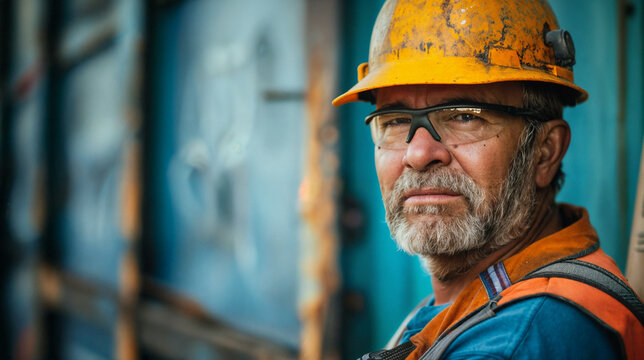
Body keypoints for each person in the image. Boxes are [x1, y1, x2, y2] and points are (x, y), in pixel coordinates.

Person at [333, 0, 644, 359]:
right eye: (395, 121)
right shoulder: (470, 302)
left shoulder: (518, 340)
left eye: (465, 116)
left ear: (545, 151)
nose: (417, 154)